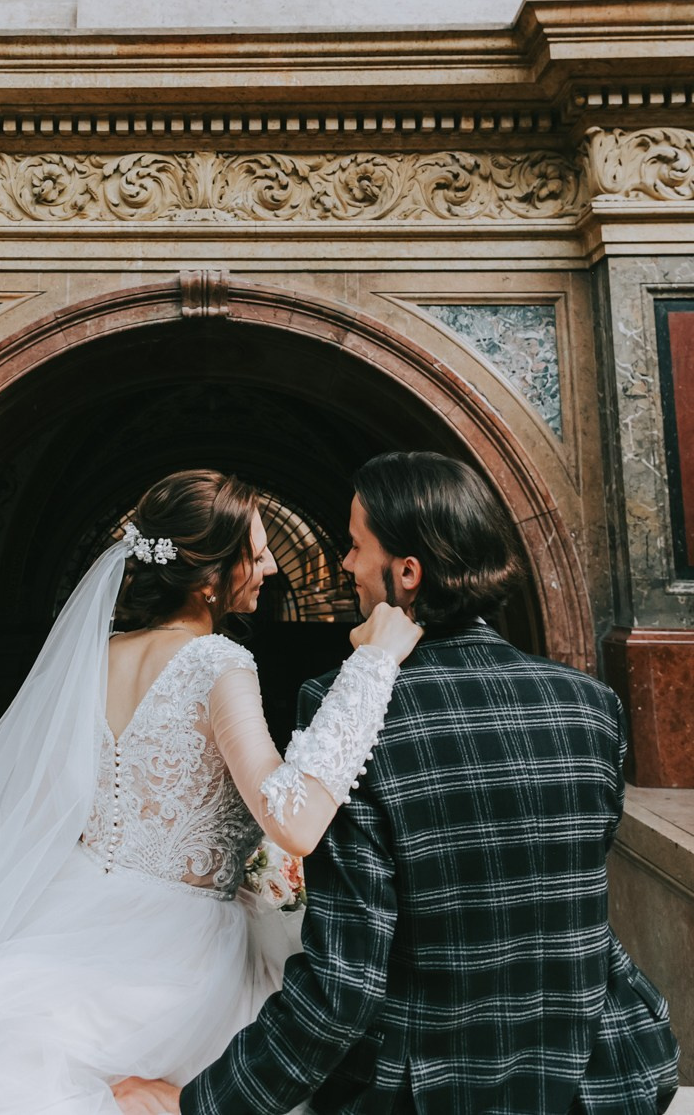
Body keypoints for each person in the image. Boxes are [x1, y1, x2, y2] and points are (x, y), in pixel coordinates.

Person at [0, 468, 421, 1115]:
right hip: (176, 948)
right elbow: (292, 821)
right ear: (211, 576)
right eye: (256, 553)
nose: (272, 568)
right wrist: (372, 667)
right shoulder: (219, 663)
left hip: (77, 911)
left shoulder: (99, 656)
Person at [117, 452, 680, 1115]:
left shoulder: (348, 714)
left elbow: (343, 992)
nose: (345, 566)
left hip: (428, 1091)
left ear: (407, 574)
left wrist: (198, 1103)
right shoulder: (592, 704)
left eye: (355, 548)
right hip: (603, 1080)